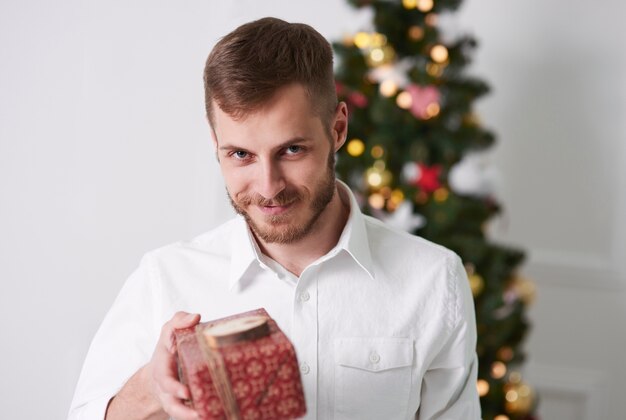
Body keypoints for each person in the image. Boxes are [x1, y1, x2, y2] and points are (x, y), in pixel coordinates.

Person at [69, 17, 480, 420]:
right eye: (241, 155)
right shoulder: (165, 278)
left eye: (292, 150)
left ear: (337, 129)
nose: (268, 187)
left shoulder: (434, 279)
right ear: (216, 144)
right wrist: (151, 391)